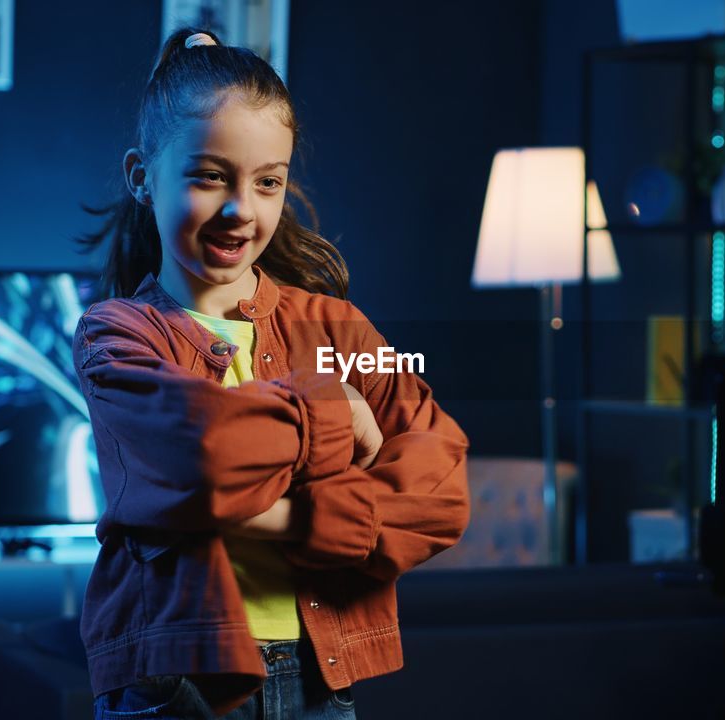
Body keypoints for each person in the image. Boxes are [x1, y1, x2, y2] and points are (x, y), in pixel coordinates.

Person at [72, 28, 470, 719]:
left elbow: (441, 489)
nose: (241, 210)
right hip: (178, 684)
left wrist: (274, 515)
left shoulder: (337, 327)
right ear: (143, 177)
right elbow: (207, 455)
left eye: (268, 182)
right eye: (208, 176)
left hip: (322, 677)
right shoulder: (116, 335)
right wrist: (337, 408)